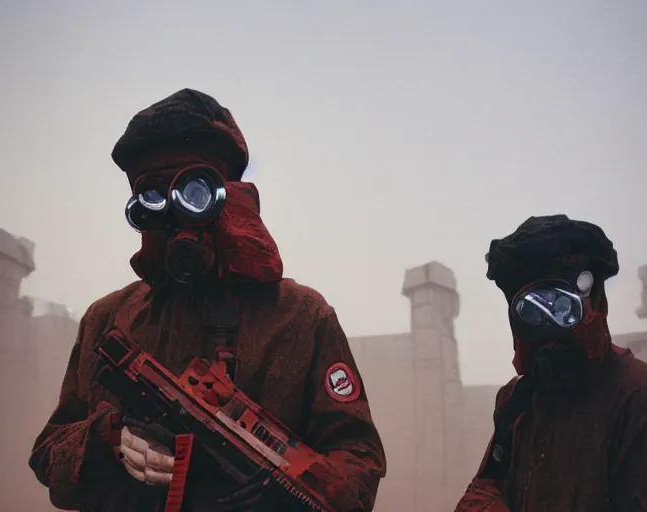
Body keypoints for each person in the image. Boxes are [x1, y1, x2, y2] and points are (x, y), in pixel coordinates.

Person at [28, 89, 386, 511]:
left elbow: (359, 455)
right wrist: (108, 438)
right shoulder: (107, 320)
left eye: (194, 191)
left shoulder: (301, 318)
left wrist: (291, 494)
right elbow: (47, 454)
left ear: (228, 194)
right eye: (153, 195)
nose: (176, 215)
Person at [453, 214, 647, 512]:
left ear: (593, 301)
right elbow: (488, 486)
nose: (546, 327)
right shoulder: (518, 400)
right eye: (530, 311)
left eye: (560, 307)